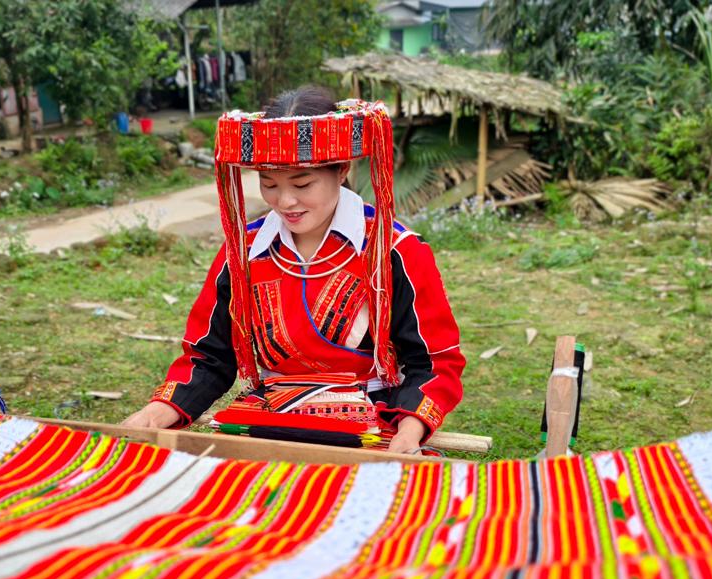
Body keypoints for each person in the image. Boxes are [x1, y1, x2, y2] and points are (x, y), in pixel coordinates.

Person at [124, 86, 465, 454]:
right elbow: (209, 358)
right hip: (267, 421)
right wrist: (158, 413)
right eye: (269, 185)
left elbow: (432, 362)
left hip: (370, 429)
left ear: (342, 169)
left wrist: (409, 432)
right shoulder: (244, 251)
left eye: (302, 184)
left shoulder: (394, 251)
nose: (285, 201)